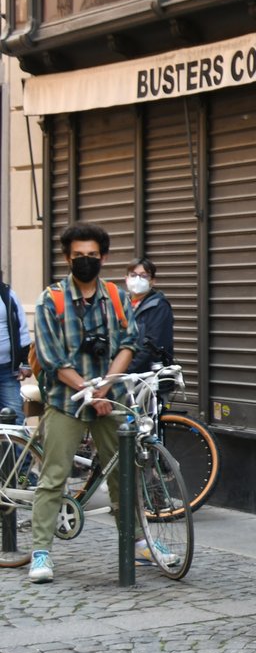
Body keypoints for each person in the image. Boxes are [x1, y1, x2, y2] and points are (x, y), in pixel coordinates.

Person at [28, 222, 139, 583]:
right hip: (66, 400)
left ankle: (137, 542)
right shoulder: (51, 300)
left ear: (104, 257)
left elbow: (129, 344)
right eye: (79, 256)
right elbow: (51, 358)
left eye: (92, 255)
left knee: (123, 472)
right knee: (54, 476)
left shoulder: (118, 297)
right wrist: (89, 392)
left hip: (110, 398)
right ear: (66, 258)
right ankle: (41, 551)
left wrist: (104, 388)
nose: (86, 261)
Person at [125, 258, 174, 375]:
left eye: (143, 276)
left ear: (153, 281)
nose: (137, 279)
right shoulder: (123, 304)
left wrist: (124, 369)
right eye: (133, 275)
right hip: (126, 378)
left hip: (151, 379)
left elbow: (151, 345)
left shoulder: (159, 306)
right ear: (126, 279)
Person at [0, 268, 33, 420]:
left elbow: (22, 330)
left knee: (15, 418)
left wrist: (26, 363)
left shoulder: (8, 295)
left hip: (6, 371)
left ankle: (16, 445)